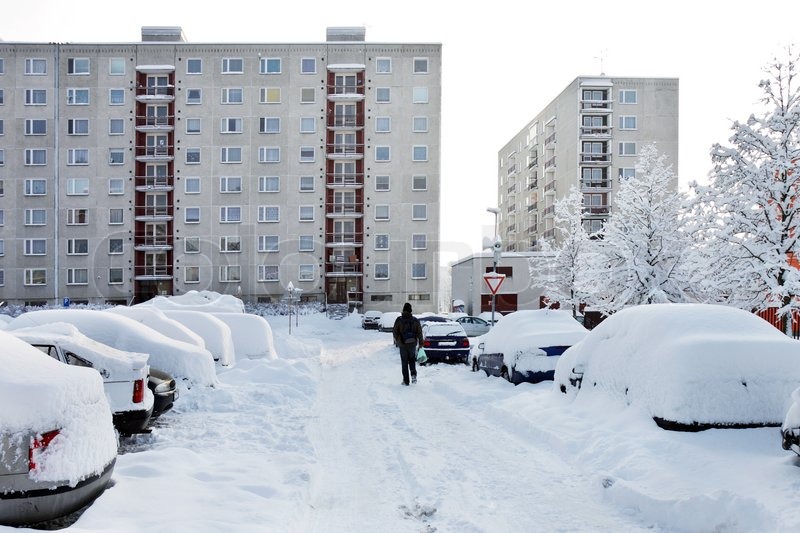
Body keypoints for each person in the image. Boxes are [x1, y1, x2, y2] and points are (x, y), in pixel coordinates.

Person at [392, 302, 424, 386]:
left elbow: (395, 332)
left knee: (404, 362)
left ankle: (406, 381)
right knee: (412, 360)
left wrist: (399, 341)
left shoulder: (399, 320)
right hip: (412, 344)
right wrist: (421, 343)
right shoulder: (415, 320)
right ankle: (413, 375)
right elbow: (419, 332)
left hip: (403, 345)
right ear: (410, 310)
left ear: (403, 310)